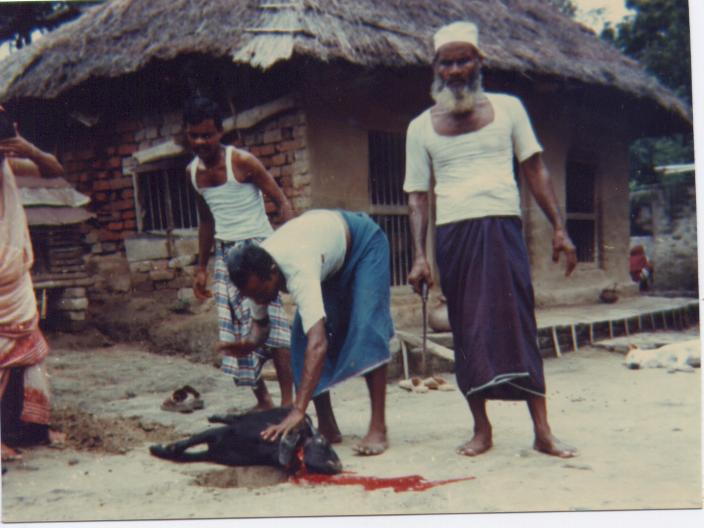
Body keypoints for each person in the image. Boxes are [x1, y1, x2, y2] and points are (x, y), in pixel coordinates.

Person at [404, 22, 578, 458]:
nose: (455, 70)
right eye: (447, 63)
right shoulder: (420, 127)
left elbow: (534, 169)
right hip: (454, 237)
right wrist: (420, 257)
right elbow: (417, 196)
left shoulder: (509, 109)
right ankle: (481, 429)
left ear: (480, 61)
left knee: (519, 323)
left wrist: (559, 227)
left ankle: (542, 431)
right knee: (468, 330)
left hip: (502, 230)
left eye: (463, 60)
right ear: (436, 67)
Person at [223, 209, 394, 456]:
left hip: (363, 244)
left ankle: (378, 427)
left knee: (366, 327)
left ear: (273, 272)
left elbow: (319, 344)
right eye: (252, 295)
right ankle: (327, 426)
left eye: (260, 293)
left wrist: (298, 410)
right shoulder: (254, 277)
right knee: (300, 340)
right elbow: (261, 327)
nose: (258, 300)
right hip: (328, 261)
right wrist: (248, 344)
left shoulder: (297, 266)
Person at [183, 96, 294, 412]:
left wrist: (288, 244)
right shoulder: (192, 173)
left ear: (220, 132)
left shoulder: (243, 162)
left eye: (207, 135)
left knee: (274, 326)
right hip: (225, 255)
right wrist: (201, 267)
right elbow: (206, 222)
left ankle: (288, 403)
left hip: (258, 250)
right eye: (194, 135)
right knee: (235, 330)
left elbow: (281, 201)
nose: (201, 142)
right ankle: (263, 401)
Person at [1, 105, 65, 462]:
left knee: (24, 354)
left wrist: (28, 149)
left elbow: (54, 170)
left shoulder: (9, 165)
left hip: (13, 280)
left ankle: (28, 429)